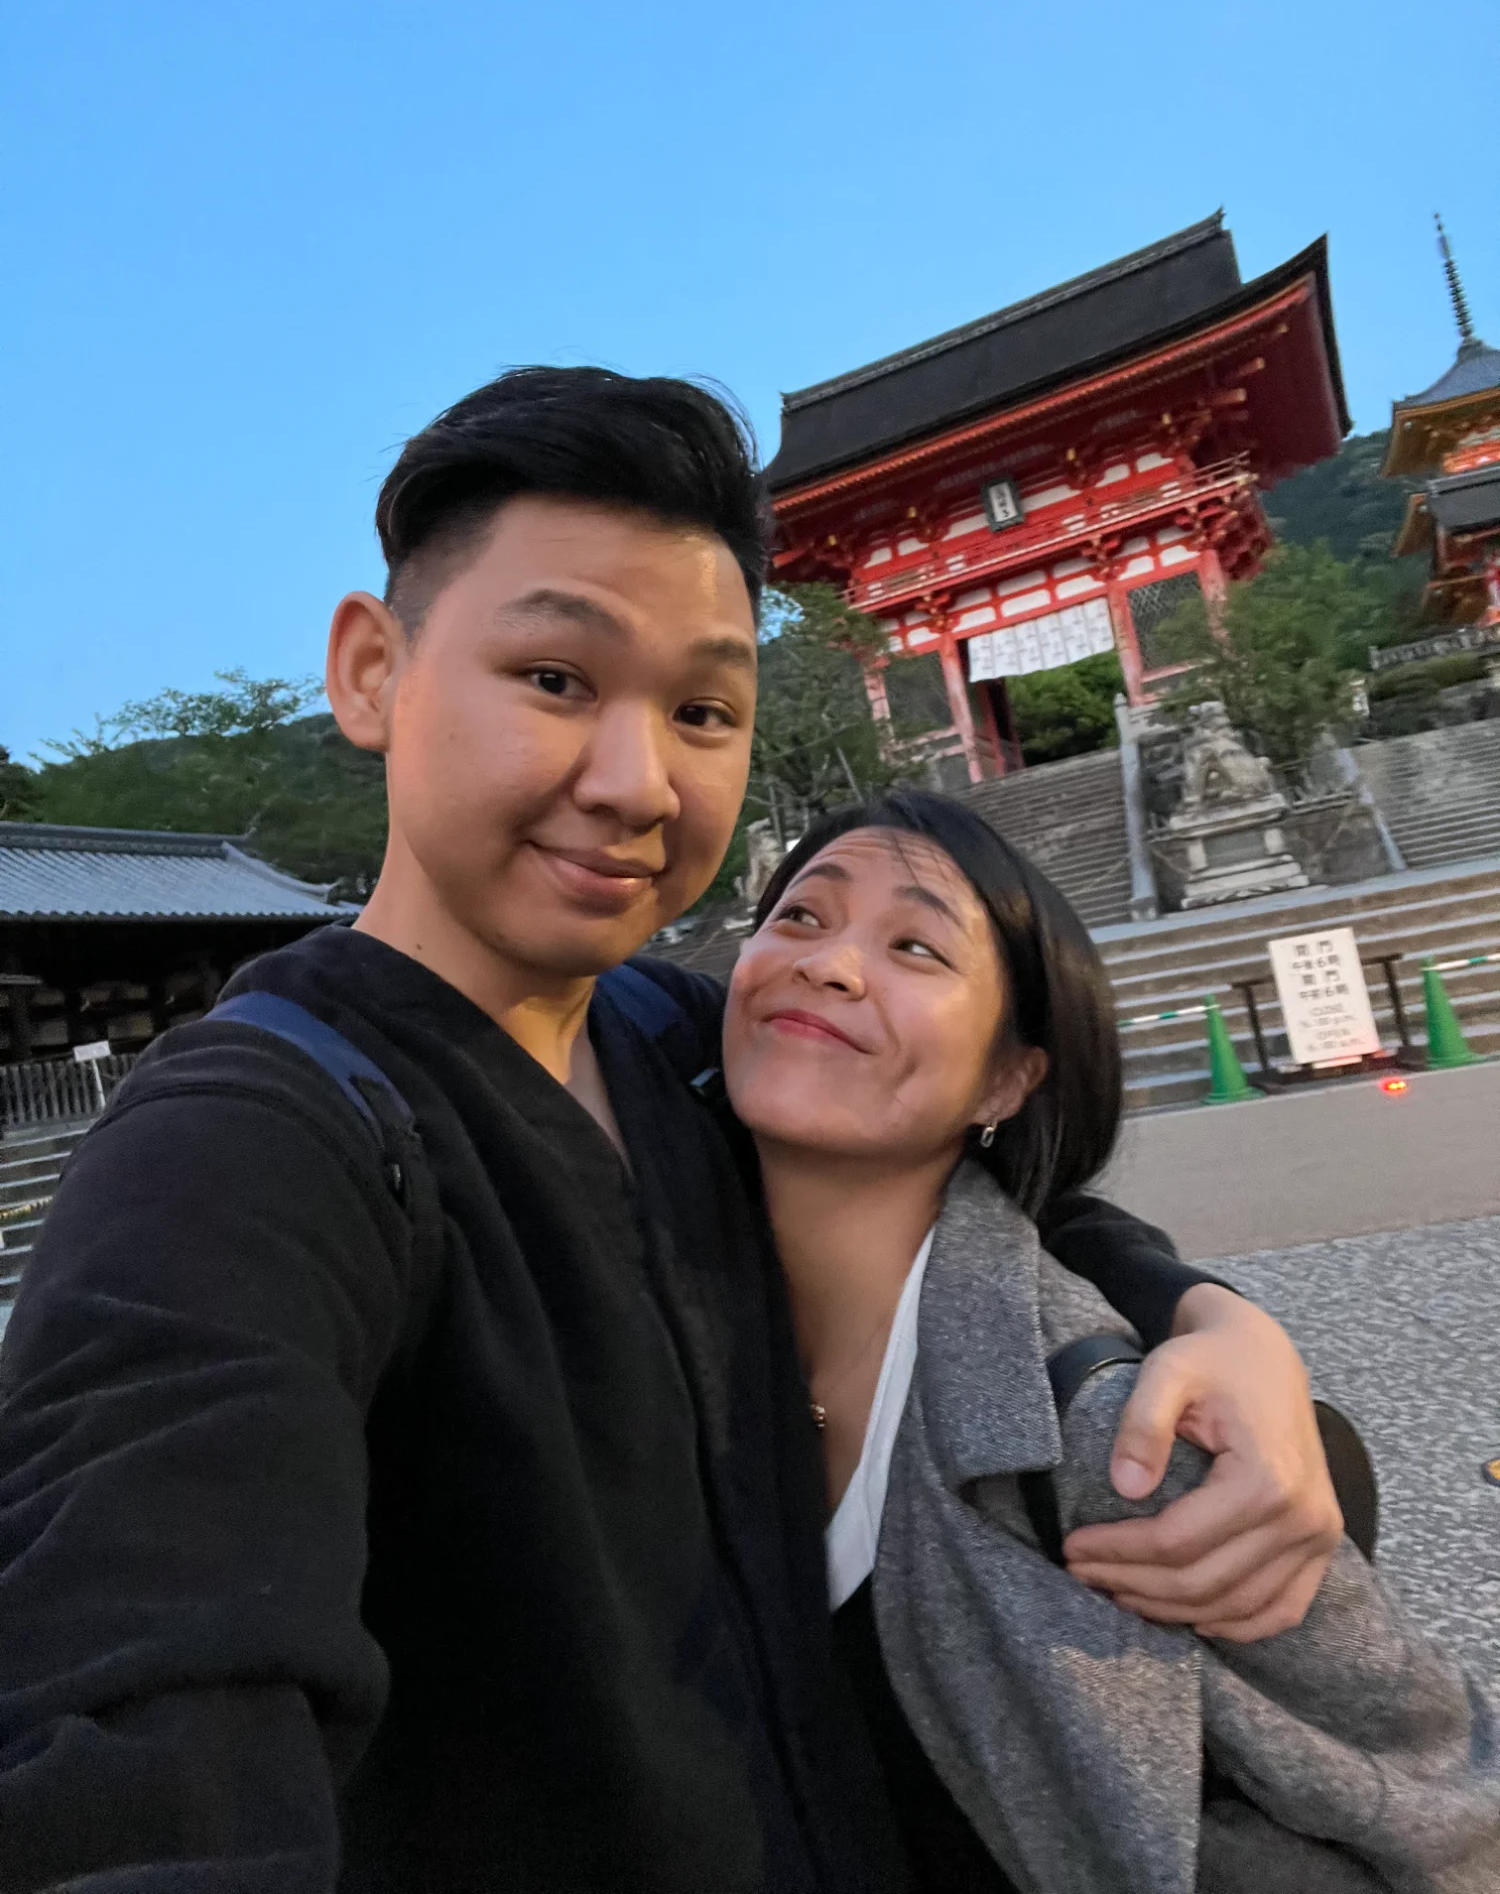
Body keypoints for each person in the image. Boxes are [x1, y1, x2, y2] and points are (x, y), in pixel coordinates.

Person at [0, 368, 1338, 1893]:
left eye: (702, 710)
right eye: (557, 679)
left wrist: (1212, 1318)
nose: (637, 782)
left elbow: (949, 1167)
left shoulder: (688, 1044)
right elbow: (132, 1725)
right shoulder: (244, 1150)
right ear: (372, 673)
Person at [721, 788, 1500, 1893]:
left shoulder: (1119, 1441)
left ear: (1007, 1076)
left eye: (914, 944)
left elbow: (1437, 1791)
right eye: (800, 917)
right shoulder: (676, 1312)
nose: (831, 964)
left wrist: (1222, 1316)